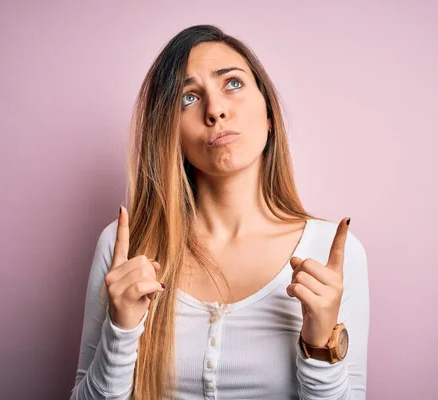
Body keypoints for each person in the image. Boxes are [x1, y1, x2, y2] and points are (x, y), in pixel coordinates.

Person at [70, 24, 369, 400]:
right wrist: (121, 331)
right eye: (188, 99)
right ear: (170, 133)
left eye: (233, 84)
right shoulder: (124, 248)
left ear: (269, 113)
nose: (215, 110)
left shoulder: (331, 254)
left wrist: (321, 344)